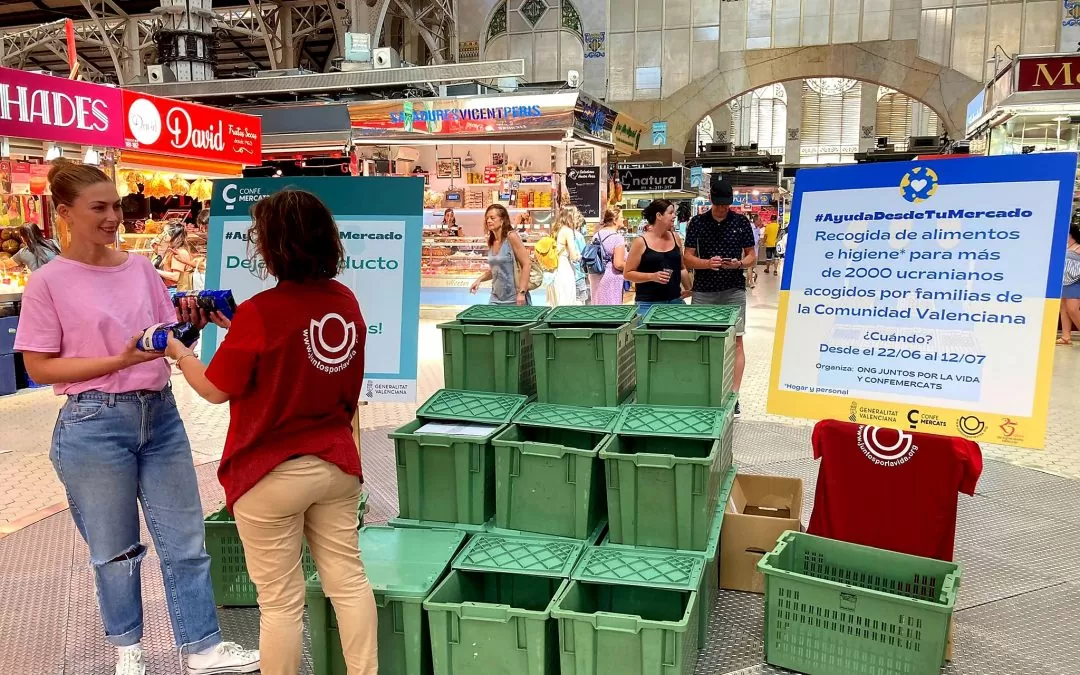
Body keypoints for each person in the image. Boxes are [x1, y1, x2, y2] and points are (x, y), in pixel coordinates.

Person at [14, 160, 259, 675]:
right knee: (115, 551)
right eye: (98, 208)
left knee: (186, 542)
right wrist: (119, 361)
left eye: (116, 206)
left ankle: (202, 647)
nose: (113, 218)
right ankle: (129, 650)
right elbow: (38, 365)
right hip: (92, 424)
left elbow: (159, 340)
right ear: (65, 214)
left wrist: (191, 327)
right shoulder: (48, 283)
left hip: (161, 416)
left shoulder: (141, 269)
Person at [166, 189, 377, 675]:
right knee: (348, 581)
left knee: (282, 603)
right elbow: (308, 356)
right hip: (336, 465)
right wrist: (238, 325)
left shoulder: (262, 312)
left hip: (268, 472)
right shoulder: (344, 301)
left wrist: (179, 352)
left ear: (273, 246)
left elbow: (217, 389)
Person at [684, 178, 757, 417]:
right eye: (718, 204)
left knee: (736, 340)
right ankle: (701, 391)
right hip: (704, 290)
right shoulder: (697, 223)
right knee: (700, 340)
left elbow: (751, 256)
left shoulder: (741, 222)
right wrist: (706, 263)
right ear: (711, 201)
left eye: (726, 204)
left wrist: (739, 264)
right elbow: (687, 258)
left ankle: (733, 395)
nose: (722, 208)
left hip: (733, 289)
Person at [624, 199, 691, 316]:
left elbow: (681, 268)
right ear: (659, 215)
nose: (674, 216)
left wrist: (689, 289)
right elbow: (628, 273)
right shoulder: (641, 242)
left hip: (675, 302)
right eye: (670, 213)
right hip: (647, 304)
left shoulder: (675, 238)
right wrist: (652, 276)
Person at [470, 204, 532, 305]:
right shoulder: (491, 241)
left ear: (502, 220)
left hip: (514, 297)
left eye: (492, 218)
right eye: (487, 218)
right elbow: (496, 270)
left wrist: (522, 292)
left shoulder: (511, 237)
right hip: (495, 297)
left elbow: (526, 264)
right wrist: (479, 280)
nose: (489, 221)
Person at [588, 208, 627, 306]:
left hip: (596, 275)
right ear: (614, 220)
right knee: (611, 310)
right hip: (611, 278)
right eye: (621, 217)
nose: (623, 219)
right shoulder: (617, 238)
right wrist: (633, 268)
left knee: (598, 308)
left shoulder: (597, 235)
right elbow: (618, 264)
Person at [550, 208, 582, 306]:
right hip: (565, 268)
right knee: (566, 300)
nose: (577, 217)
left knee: (557, 301)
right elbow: (573, 256)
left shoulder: (557, 229)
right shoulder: (568, 231)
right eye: (576, 214)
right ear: (570, 216)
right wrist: (579, 255)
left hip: (555, 269)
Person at [158, 222, 199, 291]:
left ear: (173, 235)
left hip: (175, 290)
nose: (163, 235)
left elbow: (176, 277)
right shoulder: (172, 250)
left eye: (165, 233)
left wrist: (155, 271)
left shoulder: (178, 252)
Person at [1058, 224, 1080, 345]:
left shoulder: (1078, 247)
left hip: (1076, 282)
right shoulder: (1064, 247)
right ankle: (1066, 336)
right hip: (1063, 282)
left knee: (1073, 309)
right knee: (1064, 309)